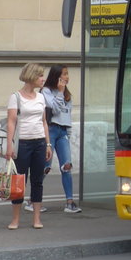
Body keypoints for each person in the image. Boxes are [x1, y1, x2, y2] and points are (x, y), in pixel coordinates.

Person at [5, 62, 51, 229]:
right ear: (31, 76)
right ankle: (15, 219)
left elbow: (44, 122)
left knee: (38, 181)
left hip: (39, 142)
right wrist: (10, 145)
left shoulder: (41, 97)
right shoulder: (15, 97)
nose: (43, 79)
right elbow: (11, 122)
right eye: (40, 75)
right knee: (19, 182)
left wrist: (48, 144)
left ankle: (36, 218)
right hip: (22, 143)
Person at [42, 65, 81, 214]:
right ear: (57, 76)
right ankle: (33, 200)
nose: (67, 77)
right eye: (64, 74)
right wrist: (59, 91)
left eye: (67, 74)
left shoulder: (67, 93)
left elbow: (67, 115)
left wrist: (68, 133)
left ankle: (69, 202)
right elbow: (55, 109)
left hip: (63, 131)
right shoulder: (46, 92)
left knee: (67, 165)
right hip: (51, 129)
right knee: (46, 166)